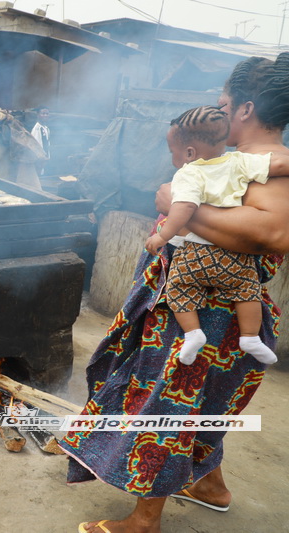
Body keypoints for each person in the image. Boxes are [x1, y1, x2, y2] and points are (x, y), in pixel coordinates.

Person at [64, 52, 289, 533]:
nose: (218, 112)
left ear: (244, 110)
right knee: (196, 407)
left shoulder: (269, 167)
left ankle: (145, 522)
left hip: (210, 311)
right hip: (198, 305)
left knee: (170, 410)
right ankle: (210, 486)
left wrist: (175, 206)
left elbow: (273, 233)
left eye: (223, 103)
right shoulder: (237, 161)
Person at [144, 105, 288, 366]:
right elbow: (278, 164)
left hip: (196, 256)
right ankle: (250, 338)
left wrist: (162, 236)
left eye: (172, 152)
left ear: (189, 152)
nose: (172, 158)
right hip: (236, 260)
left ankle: (193, 334)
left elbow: (184, 208)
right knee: (247, 291)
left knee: (179, 288)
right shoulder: (239, 161)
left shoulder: (189, 173)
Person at [30, 106, 50, 176]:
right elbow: (35, 145)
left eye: (47, 114)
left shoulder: (46, 128)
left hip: (44, 158)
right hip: (39, 160)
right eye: (43, 113)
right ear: (38, 115)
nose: (45, 115)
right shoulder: (37, 129)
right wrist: (40, 158)